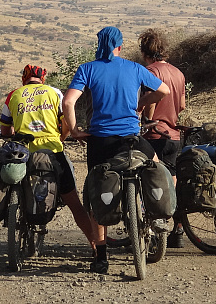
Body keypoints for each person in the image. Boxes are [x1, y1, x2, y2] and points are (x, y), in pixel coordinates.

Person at [62, 26, 170, 274]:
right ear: (120, 47)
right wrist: (141, 103)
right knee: (156, 165)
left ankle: (101, 257)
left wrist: (76, 130)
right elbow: (163, 91)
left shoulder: (87, 69)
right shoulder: (134, 68)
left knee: (96, 191)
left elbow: (68, 101)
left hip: (100, 141)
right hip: (131, 139)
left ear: (98, 46)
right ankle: (157, 217)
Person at [0, 64, 96, 252]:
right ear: (43, 79)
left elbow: (5, 131)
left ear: (24, 79)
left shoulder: (14, 95)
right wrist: (60, 138)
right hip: (52, 153)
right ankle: (95, 246)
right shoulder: (54, 93)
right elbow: (66, 123)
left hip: (22, 154)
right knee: (74, 202)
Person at [138, 28, 187, 248]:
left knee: (150, 182)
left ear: (145, 51)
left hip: (155, 133)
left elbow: (150, 102)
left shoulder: (150, 71)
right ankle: (176, 230)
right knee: (172, 182)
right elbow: (183, 105)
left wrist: (146, 121)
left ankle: (152, 232)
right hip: (174, 135)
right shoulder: (178, 73)